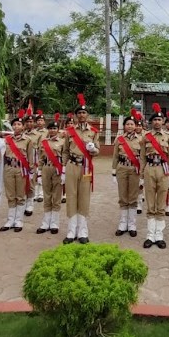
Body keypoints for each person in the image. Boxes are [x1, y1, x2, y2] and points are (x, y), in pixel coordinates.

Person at [61, 94, 100, 244]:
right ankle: (71, 231)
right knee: (71, 196)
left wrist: (93, 150)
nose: (82, 115)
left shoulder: (94, 132)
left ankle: (83, 231)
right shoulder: (70, 131)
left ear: (87, 115)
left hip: (86, 167)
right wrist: (64, 170)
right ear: (76, 116)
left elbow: (98, 150)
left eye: (84, 113)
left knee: (84, 197)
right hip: (72, 165)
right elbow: (65, 151)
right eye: (79, 113)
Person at [141, 103, 169, 249]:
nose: (157, 122)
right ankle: (150, 234)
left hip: (163, 169)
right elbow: (142, 156)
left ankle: (159, 234)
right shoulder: (145, 136)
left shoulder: (168, 136)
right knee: (150, 201)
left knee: (161, 202)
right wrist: (142, 174)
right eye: (154, 120)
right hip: (149, 168)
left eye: (159, 120)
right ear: (151, 122)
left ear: (163, 122)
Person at [0, 112, 33, 233]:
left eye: (19, 124)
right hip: (8, 168)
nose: (16, 126)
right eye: (14, 125)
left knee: (20, 195)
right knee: (10, 195)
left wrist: (32, 171)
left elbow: (31, 156)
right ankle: (10, 220)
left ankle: (18, 220)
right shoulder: (6, 140)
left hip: (21, 169)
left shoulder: (28, 140)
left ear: (23, 126)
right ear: (12, 127)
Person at [111, 111, 142, 237]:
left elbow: (143, 157)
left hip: (135, 169)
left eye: (132, 124)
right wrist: (113, 172)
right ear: (124, 126)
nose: (130, 126)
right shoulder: (120, 139)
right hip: (122, 168)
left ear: (135, 126)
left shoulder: (141, 139)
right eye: (127, 124)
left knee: (133, 196)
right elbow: (115, 156)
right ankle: (123, 223)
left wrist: (143, 174)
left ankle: (132, 224)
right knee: (123, 196)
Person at [36, 114, 66, 235]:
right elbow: (41, 159)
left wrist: (64, 172)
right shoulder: (43, 142)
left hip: (57, 169)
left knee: (56, 196)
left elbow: (64, 158)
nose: (53, 130)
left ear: (58, 130)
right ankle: (45, 222)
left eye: (55, 128)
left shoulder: (63, 142)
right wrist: (38, 173)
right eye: (51, 128)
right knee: (47, 195)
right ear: (48, 130)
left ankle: (54, 223)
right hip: (46, 169)